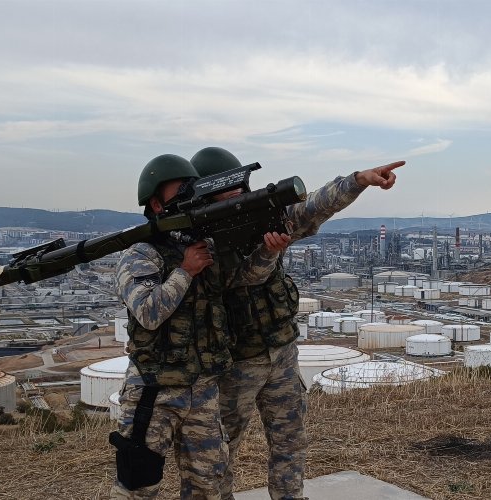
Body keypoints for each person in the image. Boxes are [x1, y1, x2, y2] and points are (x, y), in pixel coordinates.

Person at [191, 147, 404, 500]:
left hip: (281, 351)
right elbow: (241, 278)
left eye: (238, 191)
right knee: (220, 448)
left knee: (290, 439)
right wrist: (269, 252)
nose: (235, 199)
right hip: (235, 361)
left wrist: (360, 180)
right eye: (223, 194)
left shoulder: (263, 218)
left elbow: (316, 205)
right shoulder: (201, 243)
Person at [110, 153, 290, 500]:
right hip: (154, 390)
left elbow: (244, 279)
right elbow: (148, 312)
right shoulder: (139, 255)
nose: (188, 199)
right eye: (179, 192)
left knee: (210, 484)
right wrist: (185, 271)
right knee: (138, 484)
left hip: (203, 388)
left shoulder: (204, 248)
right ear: (155, 203)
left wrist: (270, 252)